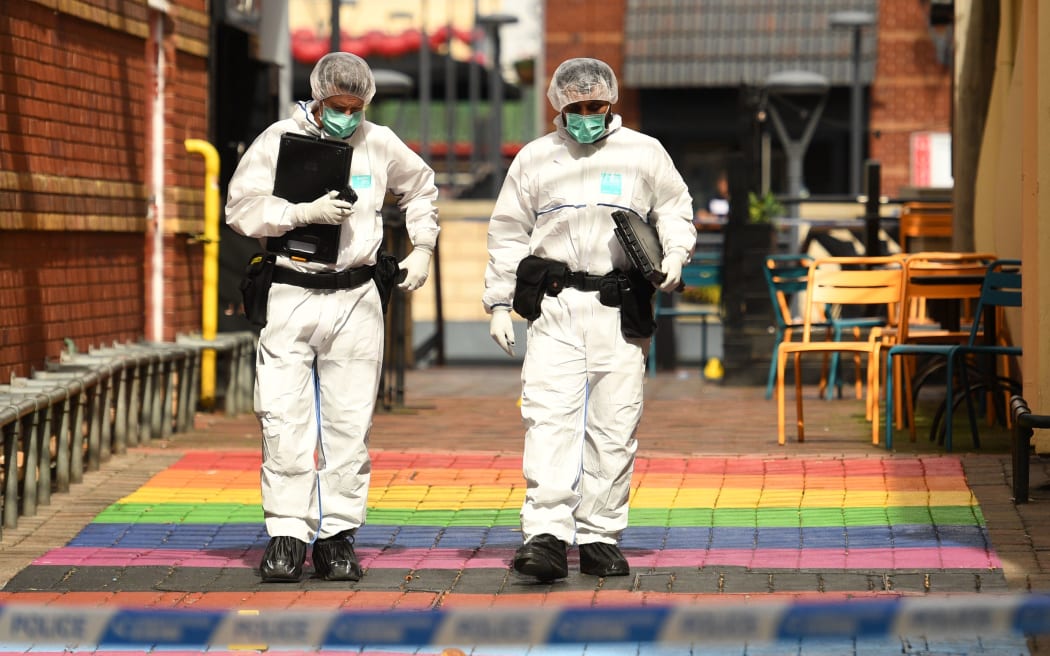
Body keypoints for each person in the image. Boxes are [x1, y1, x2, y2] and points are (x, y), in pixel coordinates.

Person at [226, 52, 440, 583]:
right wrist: (299, 214)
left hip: (356, 295)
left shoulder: (379, 142)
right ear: (317, 99)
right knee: (283, 419)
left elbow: (421, 187)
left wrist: (424, 247)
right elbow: (240, 207)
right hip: (292, 290)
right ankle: (287, 533)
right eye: (338, 105)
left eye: (356, 106)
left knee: (349, 423)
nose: (348, 115)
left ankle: (337, 535)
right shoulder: (277, 140)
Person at [483, 58, 697, 581]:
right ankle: (547, 536)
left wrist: (675, 254)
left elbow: (674, 207)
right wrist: (497, 302)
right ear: (558, 106)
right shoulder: (536, 159)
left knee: (614, 423)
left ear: (611, 103)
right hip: (555, 306)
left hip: (617, 305)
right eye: (575, 108)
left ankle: (600, 534)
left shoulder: (643, 153)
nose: (585, 116)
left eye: (595, 107)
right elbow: (508, 231)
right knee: (548, 421)